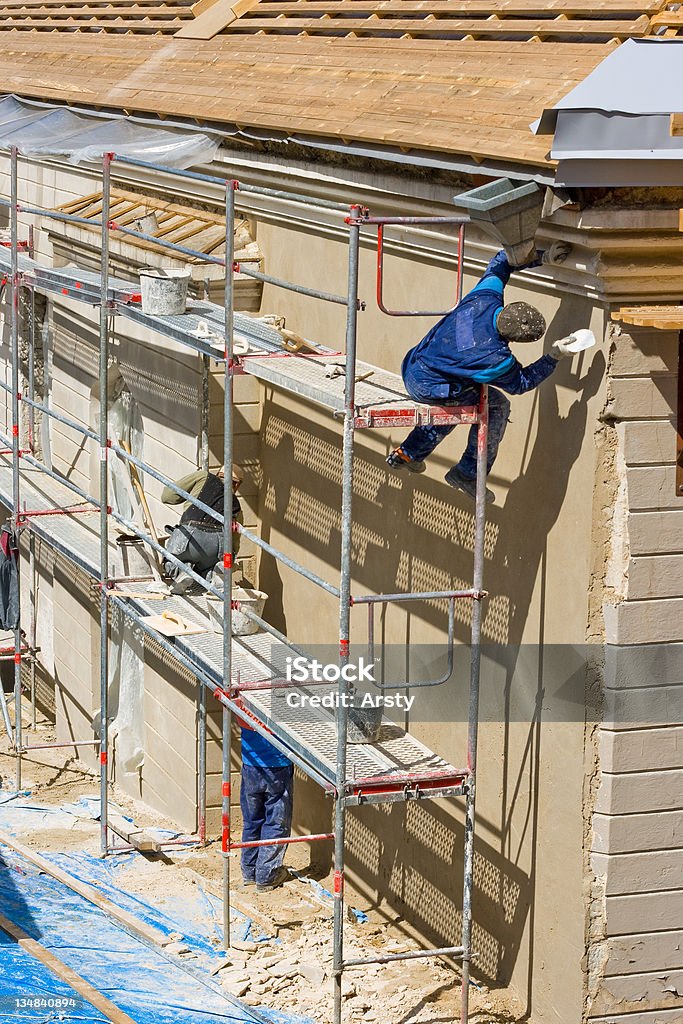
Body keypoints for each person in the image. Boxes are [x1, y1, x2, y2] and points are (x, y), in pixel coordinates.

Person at [386, 245, 575, 502]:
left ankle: (411, 453)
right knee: (493, 405)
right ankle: (468, 473)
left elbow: (501, 261)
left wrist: (543, 257)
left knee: (460, 400)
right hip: (428, 386)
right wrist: (554, 356)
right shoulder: (495, 358)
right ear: (515, 340)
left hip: (415, 363)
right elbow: (520, 383)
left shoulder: (485, 298)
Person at [239, 715, 294, 893]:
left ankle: (250, 872)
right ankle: (266, 876)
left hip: (250, 766)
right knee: (276, 823)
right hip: (278, 766)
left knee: (252, 820)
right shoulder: (278, 702)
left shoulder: (243, 698)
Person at [161, 465, 243, 581]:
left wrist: (190, 493)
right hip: (216, 546)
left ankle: (181, 572)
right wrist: (227, 564)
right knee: (207, 569)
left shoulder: (203, 477)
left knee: (170, 561)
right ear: (237, 485)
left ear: (218, 474)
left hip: (189, 538)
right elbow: (234, 544)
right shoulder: (236, 507)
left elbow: (167, 496)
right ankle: (214, 575)